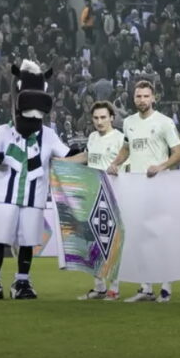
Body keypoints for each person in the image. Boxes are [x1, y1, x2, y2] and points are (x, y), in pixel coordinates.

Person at [0, 61, 70, 301]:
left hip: (33, 196)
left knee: (27, 240)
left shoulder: (49, 135)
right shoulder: (4, 131)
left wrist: (88, 152)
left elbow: (67, 154)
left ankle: (22, 282)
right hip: (5, 195)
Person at [107, 80, 180, 303]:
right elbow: (126, 148)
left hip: (160, 186)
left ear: (154, 98)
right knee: (140, 237)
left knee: (160, 236)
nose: (141, 100)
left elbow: (179, 152)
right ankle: (146, 287)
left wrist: (160, 167)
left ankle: (166, 286)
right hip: (136, 188)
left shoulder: (164, 122)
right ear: (134, 98)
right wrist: (115, 163)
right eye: (138, 96)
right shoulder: (129, 122)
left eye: (145, 96)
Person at [69, 101, 127, 300]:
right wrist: (61, 162)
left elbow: (128, 162)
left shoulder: (121, 139)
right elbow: (86, 156)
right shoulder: (92, 137)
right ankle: (99, 286)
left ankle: (115, 287)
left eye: (103, 117)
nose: (99, 121)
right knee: (92, 242)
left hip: (114, 195)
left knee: (112, 242)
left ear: (112, 117)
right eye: (96, 118)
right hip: (92, 194)